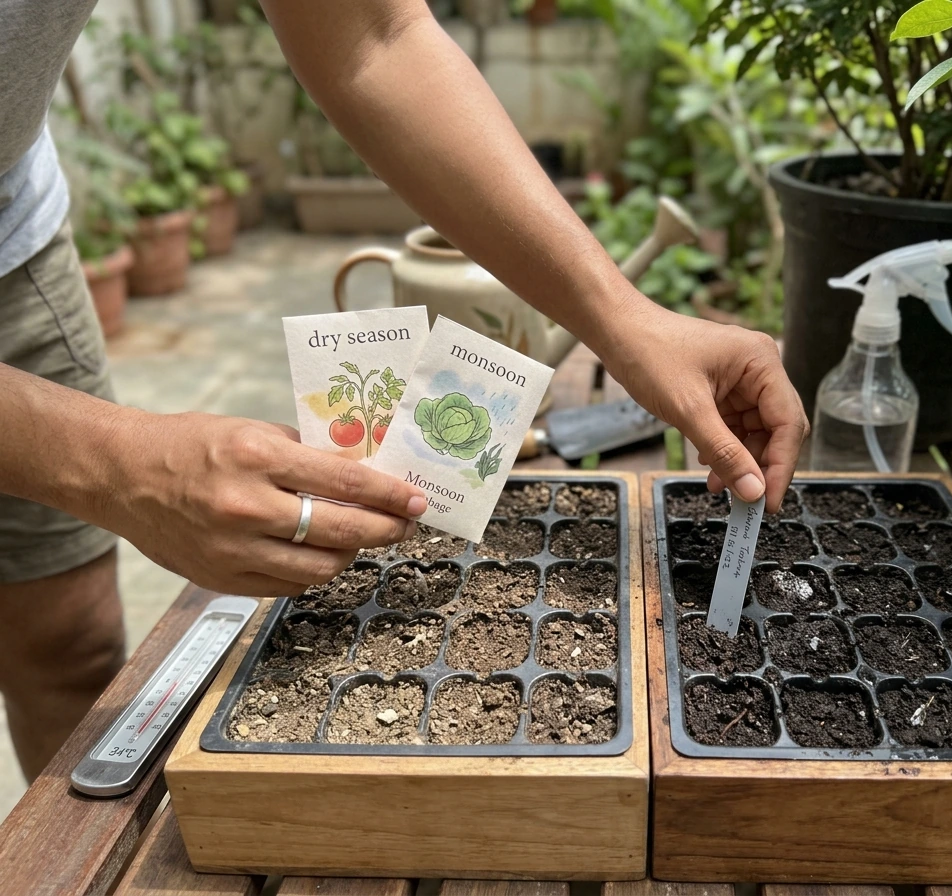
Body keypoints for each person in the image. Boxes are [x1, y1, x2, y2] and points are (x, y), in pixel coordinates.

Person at [0, 0, 808, 780]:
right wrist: (116, 463)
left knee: (66, 639)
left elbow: (373, 37)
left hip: (12, 229)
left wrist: (628, 320)